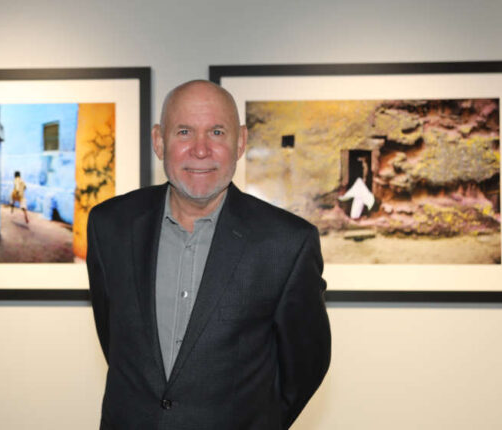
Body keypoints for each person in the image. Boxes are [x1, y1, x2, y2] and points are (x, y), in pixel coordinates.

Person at [86, 80, 331, 429]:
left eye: (217, 132)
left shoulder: (287, 243)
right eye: (184, 132)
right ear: (159, 141)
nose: (200, 150)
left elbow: (305, 366)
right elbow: (113, 337)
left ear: (240, 142)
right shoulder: (110, 225)